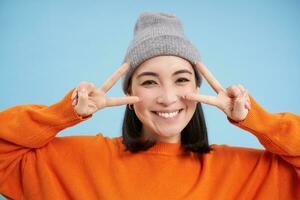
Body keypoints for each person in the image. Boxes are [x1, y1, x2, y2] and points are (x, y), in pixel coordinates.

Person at [0, 12, 299, 200]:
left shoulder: (243, 172)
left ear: (197, 89)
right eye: (149, 82)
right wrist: (66, 112)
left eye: (181, 80)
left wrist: (255, 119)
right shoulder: (80, 161)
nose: (168, 97)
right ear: (130, 92)